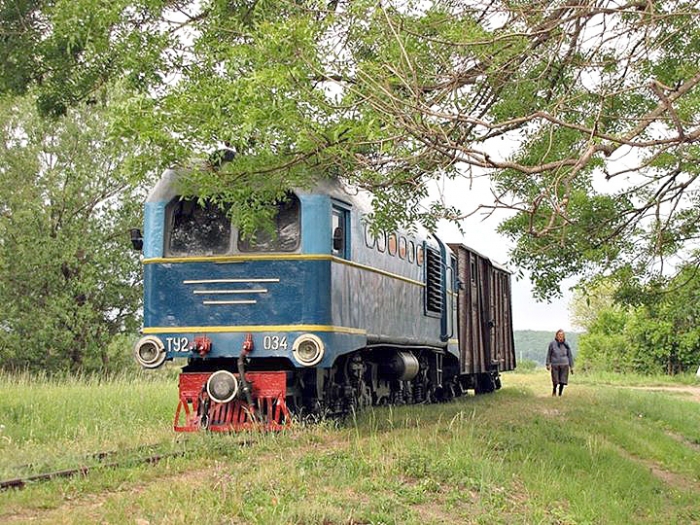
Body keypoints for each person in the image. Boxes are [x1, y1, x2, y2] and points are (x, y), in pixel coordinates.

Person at [546, 329, 574, 396]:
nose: (560, 337)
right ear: (556, 336)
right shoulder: (552, 344)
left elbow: (570, 355)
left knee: (563, 380)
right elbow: (549, 354)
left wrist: (571, 366)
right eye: (559, 335)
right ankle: (554, 389)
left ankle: (560, 394)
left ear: (564, 336)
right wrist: (548, 364)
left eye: (562, 335)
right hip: (555, 364)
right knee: (555, 380)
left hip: (565, 364)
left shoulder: (566, 344)